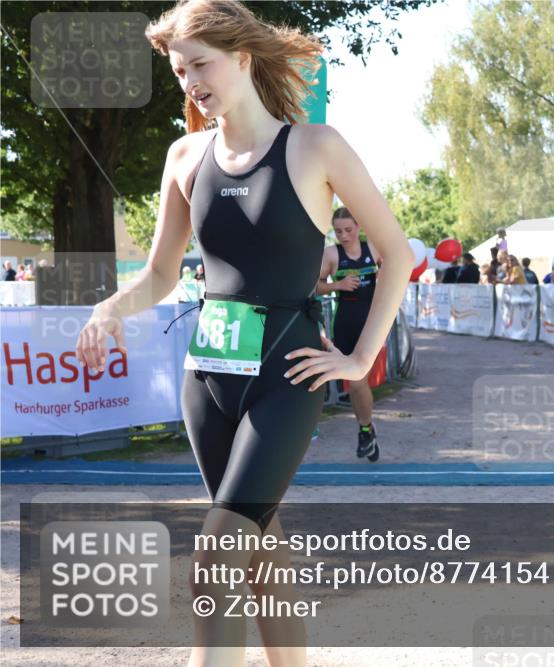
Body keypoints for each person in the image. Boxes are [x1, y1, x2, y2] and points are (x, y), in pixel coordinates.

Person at [77, 3, 412, 664]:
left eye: (200, 65)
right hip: (207, 381)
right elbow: (162, 273)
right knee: (258, 548)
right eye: (179, 72)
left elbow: (397, 254)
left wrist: (359, 358)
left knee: (215, 558)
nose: (190, 82)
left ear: (243, 58)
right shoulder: (184, 156)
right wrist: (109, 308)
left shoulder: (316, 146)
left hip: (287, 378)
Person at [316, 207, 386, 462]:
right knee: (355, 384)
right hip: (345, 324)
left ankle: (366, 431)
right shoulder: (331, 254)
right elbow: (315, 286)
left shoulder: (374, 249)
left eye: (348, 230)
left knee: (358, 382)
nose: (344, 236)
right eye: (338, 231)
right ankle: (366, 430)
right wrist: (338, 285)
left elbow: (395, 271)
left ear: (359, 227)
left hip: (371, 324)